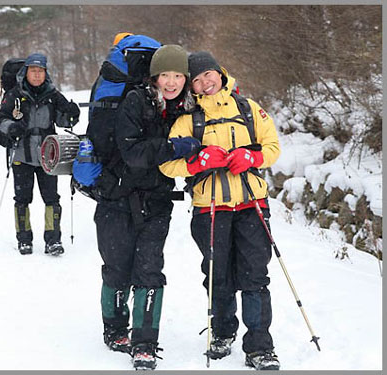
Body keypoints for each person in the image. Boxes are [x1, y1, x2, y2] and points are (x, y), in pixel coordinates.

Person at [73, 44, 200, 370]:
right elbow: (133, 153)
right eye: (165, 75)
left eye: (178, 76)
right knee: (118, 269)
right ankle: (115, 330)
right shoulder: (134, 101)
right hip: (115, 198)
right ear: (154, 77)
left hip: (157, 203)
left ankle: (145, 343)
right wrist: (173, 147)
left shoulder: (188, 109)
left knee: (149, 270)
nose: (171, 82)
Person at [159, 51, 281, 370]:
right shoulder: (188, 120)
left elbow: (272, 147)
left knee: (255, 275)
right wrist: (197, 161)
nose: (205, 82)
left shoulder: (249, 109)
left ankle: (259, 346)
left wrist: (252, 158)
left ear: (220, 72)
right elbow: (167, 163)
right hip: (209, 208)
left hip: (251, 205)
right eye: (196, 79)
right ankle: (222, 331)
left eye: (208, 74)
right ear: (192, 87)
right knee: (218, 275)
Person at [0, 53, 80, 255]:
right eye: (33, 71)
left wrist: (72, 113)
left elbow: (63, 121)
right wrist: (11, 128)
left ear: (45, 73)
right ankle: (24, 240)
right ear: (26, 72)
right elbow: (2, 121)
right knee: (22, 199)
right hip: (21, 155)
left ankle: (53, 240)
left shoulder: (52, 94)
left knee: (51, 198)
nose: (36, 75)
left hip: (47, 156)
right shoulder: (14, 95)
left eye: (40, 71)